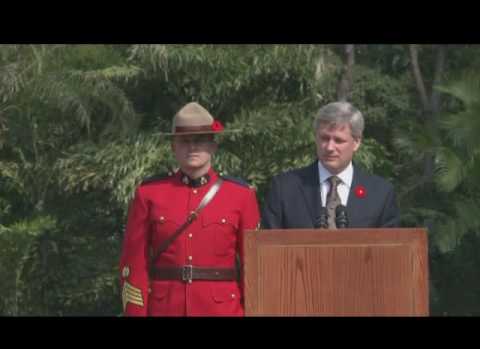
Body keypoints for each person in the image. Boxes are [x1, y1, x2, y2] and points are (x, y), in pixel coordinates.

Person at [119, 102, 260, 316]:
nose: (192, 147)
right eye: (184, 141)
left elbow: (255, 266)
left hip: (223, 311)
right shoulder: (149, 194)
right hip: (165, 309)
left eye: (200, 140)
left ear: (213, 146)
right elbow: (133, 263)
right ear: (173, 146)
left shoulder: (241, 195)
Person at [262, 101, 400, 229]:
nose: (329, 147)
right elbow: (267, 247)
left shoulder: (380, 194)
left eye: (338, 140)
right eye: (324, 138)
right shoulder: (284, 188)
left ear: (356, 142)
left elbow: (391, 249)